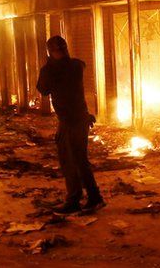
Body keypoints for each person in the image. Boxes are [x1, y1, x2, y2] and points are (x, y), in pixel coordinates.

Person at [36, 35, 105, 215]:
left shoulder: (55, 70)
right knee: (76, 160)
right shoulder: (74, 66)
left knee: (73, 161)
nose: (59, 53)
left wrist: (48, 65)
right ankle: (87, 197)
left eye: (59, 50)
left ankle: (80, 198)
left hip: (72, 120)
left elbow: (43, 88)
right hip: (74, 119)